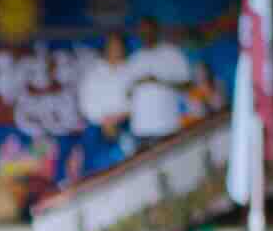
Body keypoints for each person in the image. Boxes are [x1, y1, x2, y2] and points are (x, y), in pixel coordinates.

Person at [124, 18, 192, 149]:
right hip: (141, 129)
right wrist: (138, 83)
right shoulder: (133, 60)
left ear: (157, 30)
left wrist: (159, 81)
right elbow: (126, 94)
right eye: (143, 31)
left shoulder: (173, 53)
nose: (146, 34)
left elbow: (188, 85)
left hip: (168, 125)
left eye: (149, 30)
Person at [77, 34, 134, 175]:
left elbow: (135, 100)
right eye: (112, 47)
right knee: (96, 171)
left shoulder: (130, 70)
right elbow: (85, 104)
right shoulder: (93, 73)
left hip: (124, 124)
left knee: (129, 167)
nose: (116, 50)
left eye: (119, 47)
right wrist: (104, 120)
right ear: (105, 49)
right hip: (98, 127)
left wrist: (121, 116)